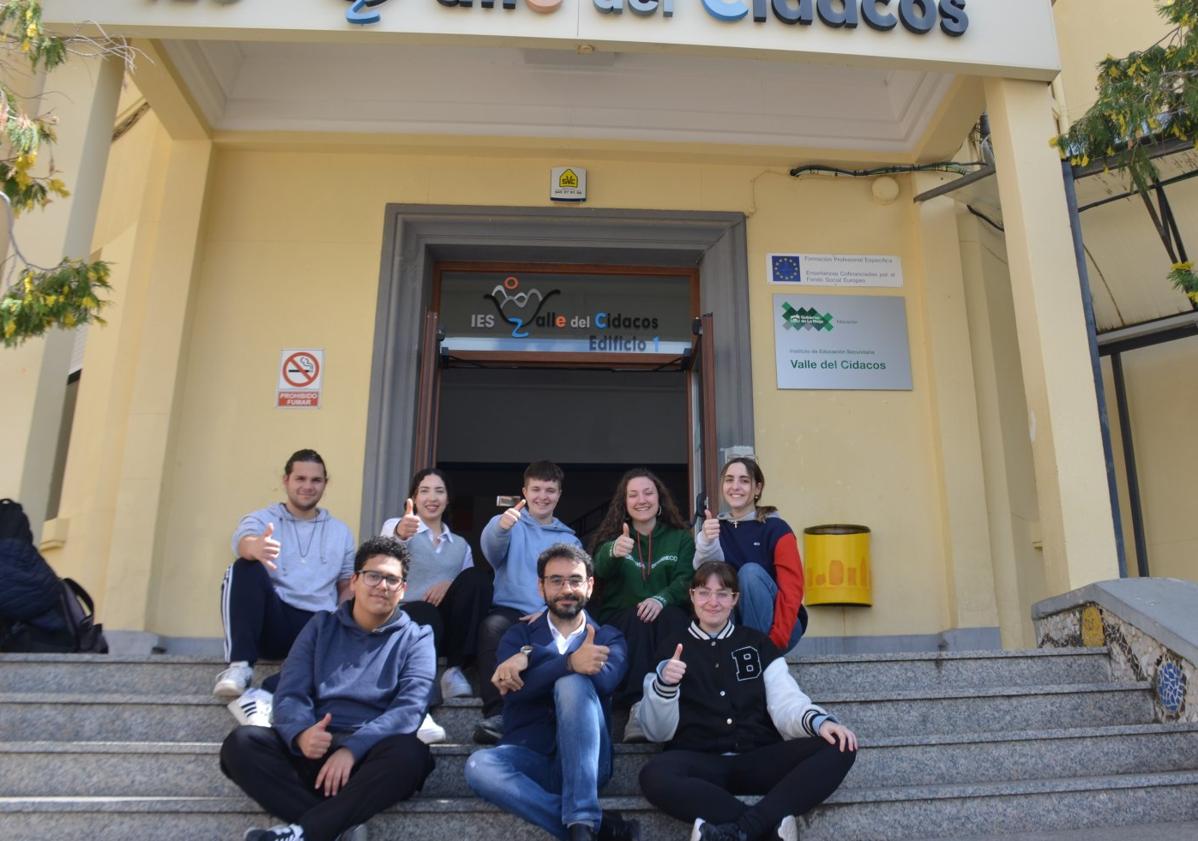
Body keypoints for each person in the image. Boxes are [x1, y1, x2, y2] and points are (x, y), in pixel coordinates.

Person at [219, 536, 437, 841]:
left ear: (402, 589)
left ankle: (308, 831)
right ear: (355, 581)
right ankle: (338, 827)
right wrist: (301, 733)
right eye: (373, 576)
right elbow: (291, 691)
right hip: (314, 749)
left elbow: (410, 708)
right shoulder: (321, 626)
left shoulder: (417, 637)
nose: (382, 585)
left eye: (392, 579)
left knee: (411, 753)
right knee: (241, 745)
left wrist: (351, 749)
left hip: (370, 758)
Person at [637, 562, 856, 841]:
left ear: (735, 600)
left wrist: (817, 722)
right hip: (700, 763)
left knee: (840, 746)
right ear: (692, 596)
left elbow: (785, 699)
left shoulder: (757, 643)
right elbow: (656, 732)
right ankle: (765, 830)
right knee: (653, 774)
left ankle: (742, 830)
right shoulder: (671, 647)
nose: (713, 602)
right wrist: (665, 686)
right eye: (704, 593)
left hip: (758, 758)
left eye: (723, 593)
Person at [464, 543, 639, 841]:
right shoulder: (519, 635)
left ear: (590, 585)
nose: (566, 589)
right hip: (530, 755)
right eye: (556, 580)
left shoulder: (608, 637)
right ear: (541, 586)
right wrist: (566, 661)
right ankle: (594, 827)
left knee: (573, 683)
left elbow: (606, 682)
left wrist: (532, 659)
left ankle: (583, 821)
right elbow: (514, 692)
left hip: (590, 763)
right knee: (479, 766)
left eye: (575, 580)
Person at [216, 450, 355, 724]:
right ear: (286, 480)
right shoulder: (264, 518)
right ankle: (240, 666)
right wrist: (253, 547)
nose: (307, 486)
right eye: (300, 478)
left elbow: (346, 584)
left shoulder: (341, 531)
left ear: (325, 484)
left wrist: (346, 623)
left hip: (316, 625)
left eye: (316, 480)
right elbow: (244, 540)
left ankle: (265, 694)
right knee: (244, 567)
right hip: (275, 620)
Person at [380, 468, 493, 741]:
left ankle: (454, 671)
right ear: (414, 498)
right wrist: (400, 532)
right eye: (424, 491)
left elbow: (466, 591)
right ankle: (421, 709)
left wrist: (450, 584)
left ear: (448, 499)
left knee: (477, 578)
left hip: (449, 629)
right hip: (411, 623)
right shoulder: (398, 527)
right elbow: (385, 550)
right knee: (424, 610)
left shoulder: (461, 545)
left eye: (439, 491)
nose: (432, 498)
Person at [474, 460, 582, 744]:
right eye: (536, 489)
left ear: (559, 494)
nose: (542, 496)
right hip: (509, 610)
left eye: (550, 490)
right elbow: (492, 553)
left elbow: (574, 584)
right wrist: (501, 527)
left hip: (553, 614)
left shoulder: (569, 539)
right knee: (491, 628)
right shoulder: (508, 524)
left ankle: (556, 715)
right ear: (524, 491)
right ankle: (497, 713)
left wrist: (547, 611)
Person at [589, 468, 692, 736]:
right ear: (624, 504)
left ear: (660, 500)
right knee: (639, 618)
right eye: (632, 495)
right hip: (624, 620)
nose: (641, 499)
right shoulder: (614, 541)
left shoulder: (680, 538)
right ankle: (638, 707)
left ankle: (673, 701)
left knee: (672, 617)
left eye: (648, 492)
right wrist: (613, 552)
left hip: (666, 616)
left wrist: (661, 598)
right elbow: (598, 569)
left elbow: (687, 580)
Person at [693, 457, 807, 653]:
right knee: (719, 583)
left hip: (779, 628)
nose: (735, 486)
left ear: (757, 488)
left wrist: (776, 639)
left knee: (750, 573)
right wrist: (706, 542)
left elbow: (792, 589)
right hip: (731, 628)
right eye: (729, 480)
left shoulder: (776, 529)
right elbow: (704, 583)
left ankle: (753, 652)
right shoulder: (716, 528)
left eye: (744, 481)